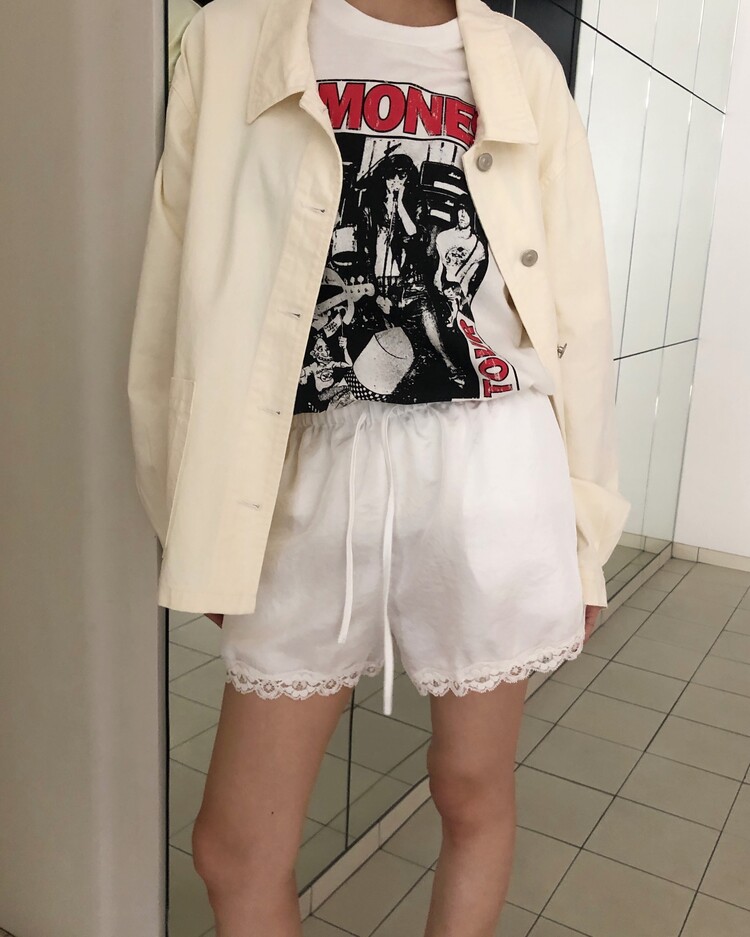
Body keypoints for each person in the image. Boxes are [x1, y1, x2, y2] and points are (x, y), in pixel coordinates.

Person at [126, 0, 631, 934]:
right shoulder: (231, 38)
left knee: (471, 789)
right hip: (303, 465)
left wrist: (586, 528)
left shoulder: (520, 62)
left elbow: (578, 309)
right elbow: (175, 292)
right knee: (234, 848)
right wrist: (190, 518)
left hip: (492, 464)